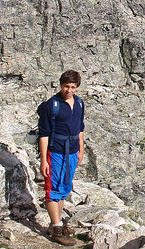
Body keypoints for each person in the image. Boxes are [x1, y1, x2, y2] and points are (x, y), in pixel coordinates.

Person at [39, 70, 85, 246]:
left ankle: (54, 224)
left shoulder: (79, 103)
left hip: (72, 152)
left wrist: (80, 150)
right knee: (53, 190)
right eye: (66, 86)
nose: (69, 90)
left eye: (73, 87)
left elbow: (80, 128)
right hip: (56, 152)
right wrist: (44, 160)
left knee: (64, 188)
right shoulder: (52, 105)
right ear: (61, 85)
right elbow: (44, 134)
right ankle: (57, 229)